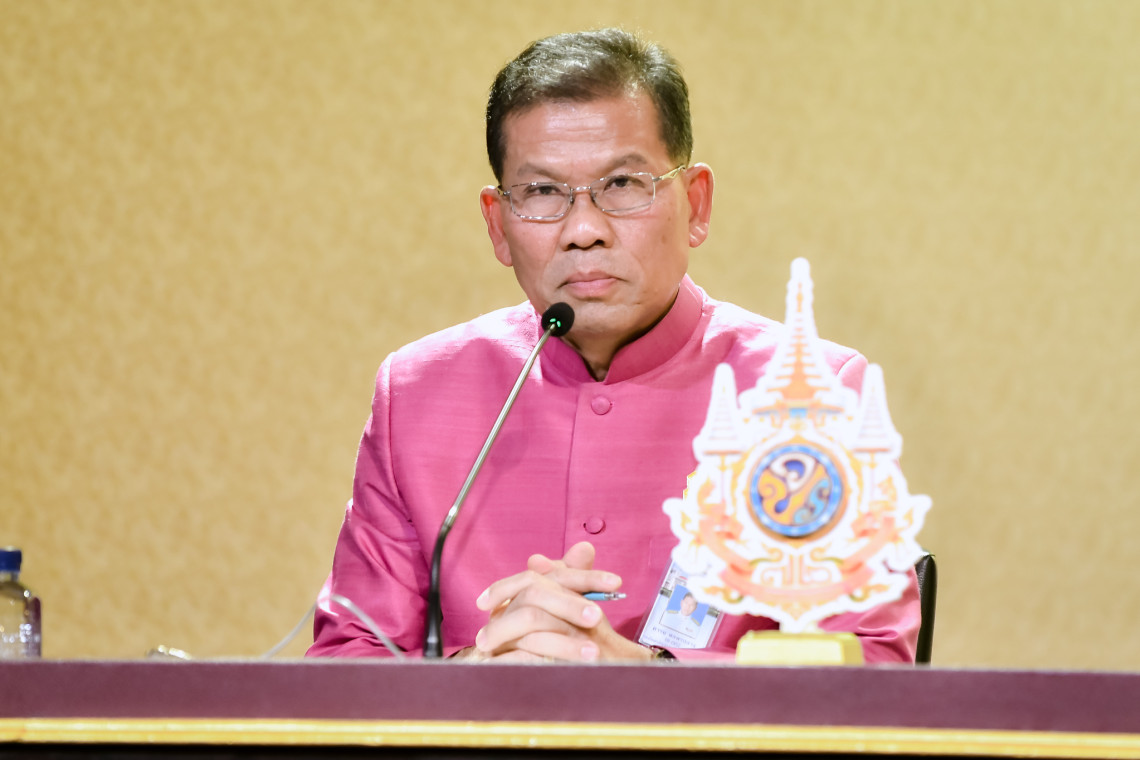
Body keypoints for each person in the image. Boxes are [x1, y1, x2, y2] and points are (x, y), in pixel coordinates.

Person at [307, 28, 920, 663]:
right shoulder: (417, 393)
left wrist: (648, 677)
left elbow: (872, 666)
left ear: (696, 204)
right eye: (543, 192)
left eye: (623, 184)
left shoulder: (816, 393)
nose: (583, 230)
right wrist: (474, 673)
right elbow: (346, 661)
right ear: (497, 225)